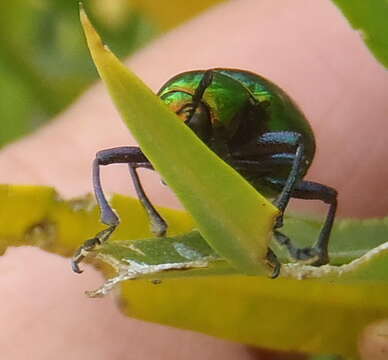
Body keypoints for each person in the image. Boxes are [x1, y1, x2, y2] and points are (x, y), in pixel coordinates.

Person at [0, 0, 387, 358]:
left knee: (326, 194)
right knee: (109, 160)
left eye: (190, 125)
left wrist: (277, 212)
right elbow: (130, 158)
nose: (180, 143)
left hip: (267, 160)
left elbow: (299, 144)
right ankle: (123, 222)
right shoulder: (176, 104)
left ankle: (310, 248)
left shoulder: (238, 104)